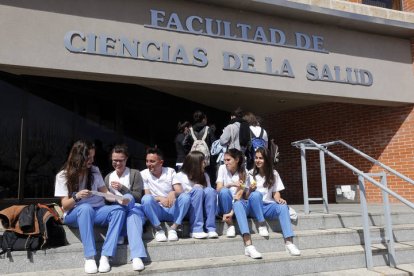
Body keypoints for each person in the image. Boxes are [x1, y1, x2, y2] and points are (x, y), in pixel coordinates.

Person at [54, 140, 127, 274]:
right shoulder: (62, 176)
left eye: (93, 157)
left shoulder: (94, 171)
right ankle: (90, 257)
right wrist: (77, 197)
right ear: (78, 157)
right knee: (86, 208)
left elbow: (105, 192)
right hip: (75, 213)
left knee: (119, 211)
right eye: (89, 157)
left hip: (98, 210)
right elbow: (64, 205)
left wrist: (118, 199)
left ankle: (106, 255)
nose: (92, 160)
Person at [248, 147, 301, 256]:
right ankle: (261, 224)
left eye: (261, 158)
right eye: (256, 158)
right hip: (254, 208)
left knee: (282, 207)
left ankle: (289, 243)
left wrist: (278, 198)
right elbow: (245, 195)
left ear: (266, 160)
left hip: (268, 206)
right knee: (256, 195)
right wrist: (250, 190)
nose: (257, 160)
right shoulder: (250, 174)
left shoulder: (274, 173)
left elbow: (276, 192)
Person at [104, 144, 146, 271]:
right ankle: (136, 254)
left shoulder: (135, 174)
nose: (117, 163)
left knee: (131, 208)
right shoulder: (108, 177)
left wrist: (122, 188)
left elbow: (138, 196)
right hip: (118, 211)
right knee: (125, 212)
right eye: (114, 160)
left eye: (120, 160)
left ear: (126, 159)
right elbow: (106, 201)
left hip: (134, 207)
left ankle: (136, 255)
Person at [216, 148, 262, 259]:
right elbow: (218, 189)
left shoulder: (244, 172)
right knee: (224, 191)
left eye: (228, 160)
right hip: (223, 206)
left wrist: (250, 190)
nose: (225, 163)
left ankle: (249, 245)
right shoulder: (222, 168)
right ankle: (230, 224)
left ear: (236, 160)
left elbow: (240, 196)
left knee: (240, 202)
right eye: (225, 160)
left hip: (236, 206)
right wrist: (231, 184)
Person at [141, 148, 191, 242]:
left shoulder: (170, 171)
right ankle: (158, 229)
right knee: (146, 199)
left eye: (152, 161)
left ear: (161, 162)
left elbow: (179, 190)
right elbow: (147, 196)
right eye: (147, 161)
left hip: (171, 208)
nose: (148, 164)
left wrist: (173, 193)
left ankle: (174, 228)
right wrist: (160, 198)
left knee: (186, 197)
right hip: (156, 210)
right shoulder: (143, 174)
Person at [173, 151, 218, 238]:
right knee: (197, 189)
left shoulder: (205, 175)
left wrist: (203, 188)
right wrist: (194, 189)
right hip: (187, 210)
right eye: (203, 162)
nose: (205, 164)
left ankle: (211, 228)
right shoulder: (179, 176)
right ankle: (196, 229)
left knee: (210, 191)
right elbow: (181, 196)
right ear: (195, 164)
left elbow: (209, 195)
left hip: (203, 209)